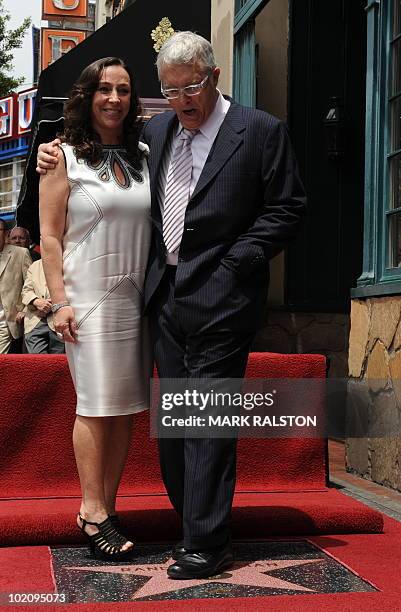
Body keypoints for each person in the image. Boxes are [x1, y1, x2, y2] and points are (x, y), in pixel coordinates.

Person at [37, 32, 306, 579]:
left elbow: (287, 208)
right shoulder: (155, 133)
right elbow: (95, 148)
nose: (184, 99)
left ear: (215, 77)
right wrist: (53, 148)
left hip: (225, 300)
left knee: (206, 416)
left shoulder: (259, 131)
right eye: (171, 90)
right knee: (175, 421)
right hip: (161, 301)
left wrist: (238, 264)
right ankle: (193, 521)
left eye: (193, 87)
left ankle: (207, 540)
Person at [39, 57, 152, 559]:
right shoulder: (60, 156)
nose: (113, 99)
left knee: (124, 410)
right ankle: (90, 509)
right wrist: (58, 301)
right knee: (94, 404)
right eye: (104, 89)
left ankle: (109, 504)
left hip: (135, 300)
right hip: (85, 300)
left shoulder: (148, 154)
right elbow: (48, 236)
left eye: (124, 90)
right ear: (86, 97)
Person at [0, 218, 32, 354]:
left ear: (6, 234)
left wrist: (25, 309)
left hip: (7, 320)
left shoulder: (20, 253)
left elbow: (31, 284)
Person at [21, 259, 65, 354]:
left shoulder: (69, 263)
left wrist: (51, 304)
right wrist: (36, 302)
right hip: (35, 320)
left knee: (58, 364)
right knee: (36, 364)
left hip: (60, 321)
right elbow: (25, 292)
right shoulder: (35, 265)